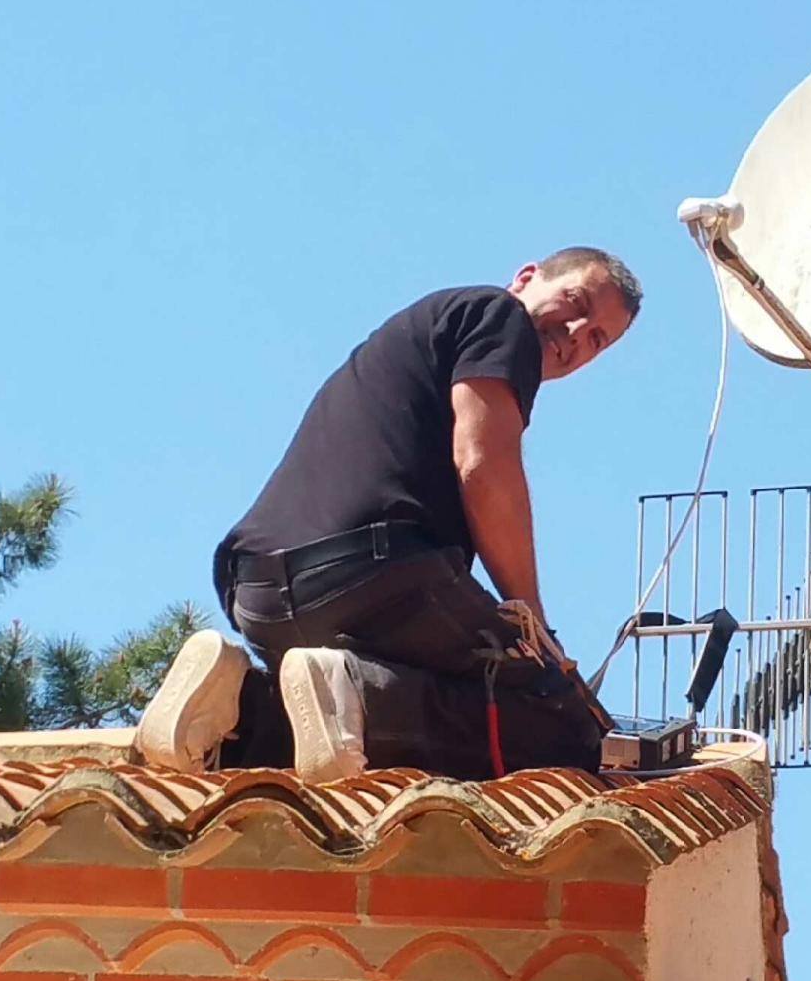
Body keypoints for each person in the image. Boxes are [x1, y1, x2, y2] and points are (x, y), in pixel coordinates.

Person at [136, 247, 641, 781]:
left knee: (392, 702)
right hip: (372, 576)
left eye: (596, 340)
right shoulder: (498, 315)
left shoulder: (420, 334)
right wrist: (533, 626)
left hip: (258, 595)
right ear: (525, 278)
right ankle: (355, 690)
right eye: (576, 302)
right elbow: (483, 465)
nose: (577, 333)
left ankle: (238, 706)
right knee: (560, 722)